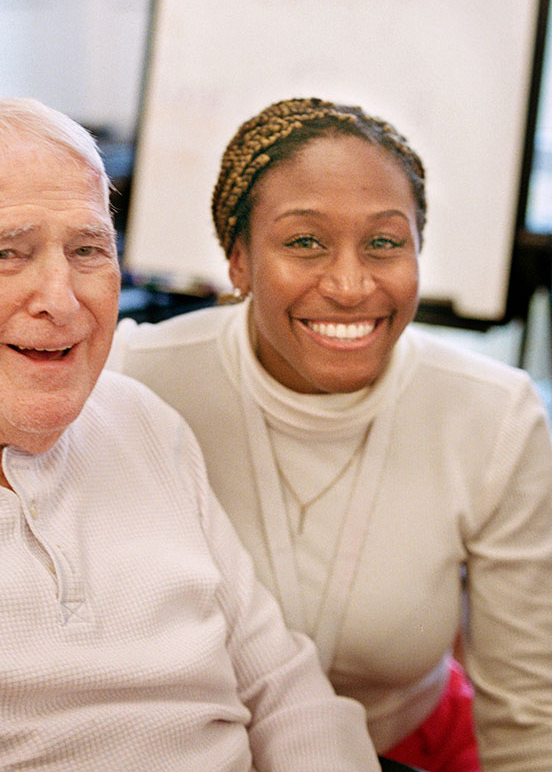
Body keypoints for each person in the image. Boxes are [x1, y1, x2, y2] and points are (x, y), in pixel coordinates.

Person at [0, 98, 380, 771]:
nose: (61, 297)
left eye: (87, 251)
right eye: (7, 252)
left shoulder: (143, 422)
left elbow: (282, 688)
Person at [108, 97, 552, 772]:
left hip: (409, 748)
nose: (350, 285)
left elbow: (528, 713)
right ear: (239, 262)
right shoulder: (138, 380)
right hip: (192, 751)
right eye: (304, 241)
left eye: (384, 242)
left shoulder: (493, 417)